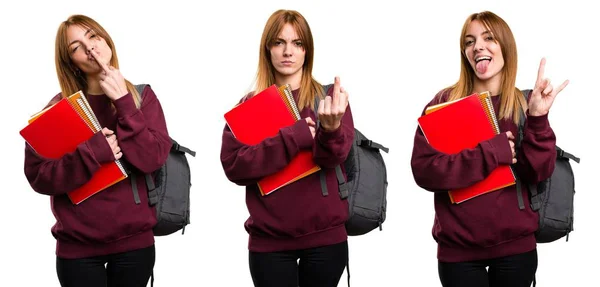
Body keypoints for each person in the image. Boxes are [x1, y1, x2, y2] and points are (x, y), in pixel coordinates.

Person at [410, 11, 568, 287]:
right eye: (469, 42)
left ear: (505, 46)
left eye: (488, 38)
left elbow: (539, 172)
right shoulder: (445, 103)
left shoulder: (525, 103)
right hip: (458, 253)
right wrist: (491, 152)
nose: (478, 47)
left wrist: (538, 119)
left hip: (516, 248)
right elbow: (424, 171)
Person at [23, 14, 171, 287]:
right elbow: (39, 177)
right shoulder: (58, 110)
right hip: (77, 248)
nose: (90, 48)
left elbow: (152, 160)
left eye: (93, 36)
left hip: (134, 243)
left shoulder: (142, 97)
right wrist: (92, 153)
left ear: (106, 40)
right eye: (76, 47)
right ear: (71, 63)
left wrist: (124, 103)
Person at [220, 9, 354, 287]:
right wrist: (294, 136)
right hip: (269, 244)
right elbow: (235, 167)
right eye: (279, 42)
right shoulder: (248, 106)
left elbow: (335, 159)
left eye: (297, 43)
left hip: (325, 239)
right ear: (267, 49)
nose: (288, 52)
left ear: (307, 51)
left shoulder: (329, 98)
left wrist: (330, 130)